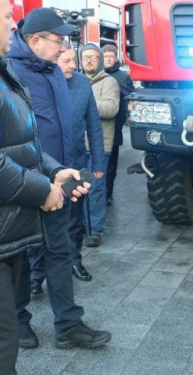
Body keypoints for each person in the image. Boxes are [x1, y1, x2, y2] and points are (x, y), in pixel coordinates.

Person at [0, 1, 89, 373]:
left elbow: (20, 143)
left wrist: (54, 171)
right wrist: (42, 190)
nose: (12, 26)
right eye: (6, 18)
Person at [6, 7, 111, 349]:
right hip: (24, 180)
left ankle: (68, 325)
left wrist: (69, 172)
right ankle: (19, 322)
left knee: (60, 250)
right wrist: (37, 178)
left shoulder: (53, 72)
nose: (66, 48)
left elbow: (69, 125)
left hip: (60, 177)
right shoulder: (8, 71)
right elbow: (11, 135)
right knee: (20, 255)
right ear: (34, 41)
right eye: (59, 40)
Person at [58, 42, 106, 281]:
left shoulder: (81, 84)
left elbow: (94, 126)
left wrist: (97, 164)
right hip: (47, 163)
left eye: (72, 60)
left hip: (76, 161)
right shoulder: (42, 83)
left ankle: (75, 262)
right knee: (43, 219)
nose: (72, 66)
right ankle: (36, 274)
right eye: (65, 61)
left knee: (75, 218)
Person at [80, 43, 120, 247]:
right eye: (85, 57)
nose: (89, 60)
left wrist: (85, 103)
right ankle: (82, 227)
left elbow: (111, 108)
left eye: (94, 57)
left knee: (95, 189)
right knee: (78, 189)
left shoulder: (109, 82)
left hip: (99, 147)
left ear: (101, 60)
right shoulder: (76, 81)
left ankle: (96, 231)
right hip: (78, 145)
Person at [102, 44, 134, 206]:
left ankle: (107, 193)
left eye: (110, 56)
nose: (108, 59)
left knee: (110, 163)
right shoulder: (95, 74)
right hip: (96, 127)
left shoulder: (123, 77)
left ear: (116, 58)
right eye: (105, 56)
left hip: (114, 127)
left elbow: (129, 97)